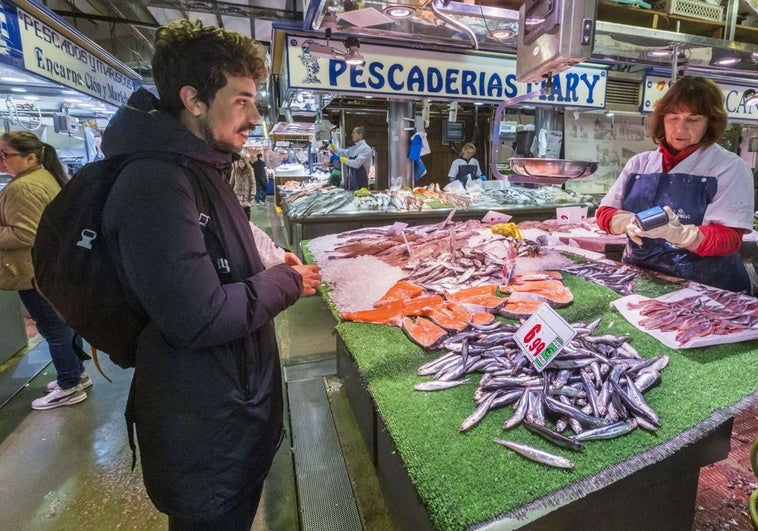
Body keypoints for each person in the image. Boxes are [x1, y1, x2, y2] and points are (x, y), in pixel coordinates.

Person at [98, 19, 322, 530]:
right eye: (241, 100)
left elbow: (223, 245)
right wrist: (288, 282)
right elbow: (198, 316)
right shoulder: (156, 181)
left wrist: (267, 257)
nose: (254, 114)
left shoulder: (201, 165)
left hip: (229, 409)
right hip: (203, 429)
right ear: (193, 99)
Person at [596, 76, 754, 293]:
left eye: (694, 119)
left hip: (706, 289)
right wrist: (627, 222)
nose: (680, 129)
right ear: (662, 119)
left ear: (710, 122)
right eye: (673, 118)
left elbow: (730, 238)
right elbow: (604, 213)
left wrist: (682, 235)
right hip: (640, 280)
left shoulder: (729, 167)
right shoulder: (640, 163)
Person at [0, 131, 90, 410]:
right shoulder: (42, 177)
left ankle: (69, 385)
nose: (2, 161)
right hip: (50, 268)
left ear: (30, 157)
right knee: (64, 324)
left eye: (5, 155)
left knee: (54, 329)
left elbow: (26, 234)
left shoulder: (21, 187)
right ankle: (76, 374)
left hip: (33, 272)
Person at [331, 126, 372, 190]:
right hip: (352, 181)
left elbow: (356, 164)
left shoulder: (366, 149)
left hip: (361, 184)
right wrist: (332, 145)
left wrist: (341, 159)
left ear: (360, 135)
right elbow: (342, 152)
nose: (351, 135)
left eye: (353, 133)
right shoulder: (354, 148)